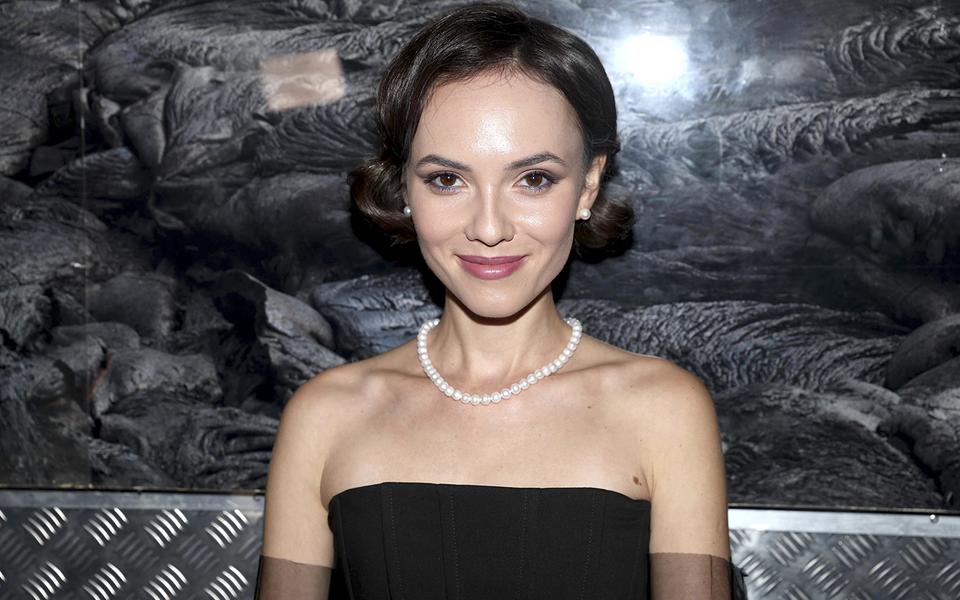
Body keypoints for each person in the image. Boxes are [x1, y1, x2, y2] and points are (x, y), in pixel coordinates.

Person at [255, 2, 746, 598]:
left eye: (533, 179)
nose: (489, 228)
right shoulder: (325, 415)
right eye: (447, 179)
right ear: (404, 186)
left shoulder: (663, 409)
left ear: (588, 185)